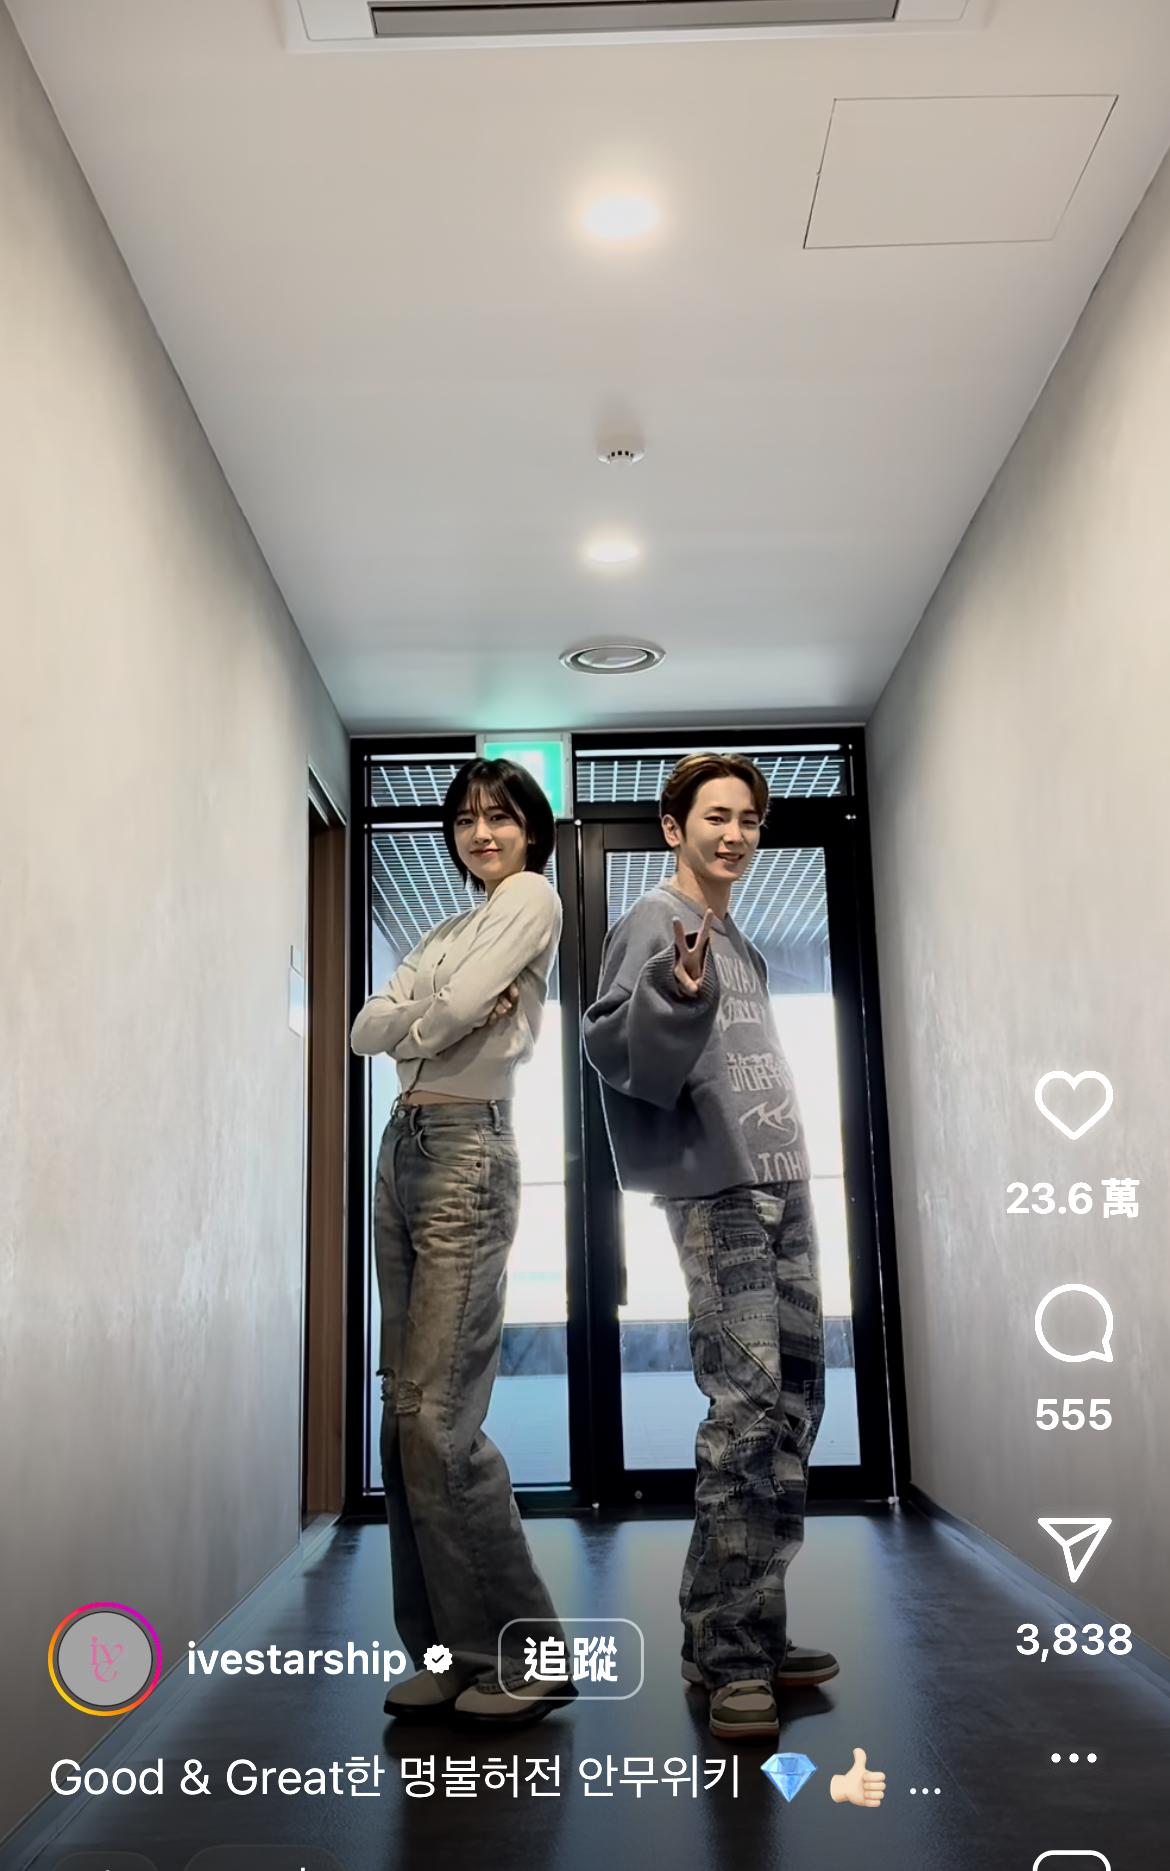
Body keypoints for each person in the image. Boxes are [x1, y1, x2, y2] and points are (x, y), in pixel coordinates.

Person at [581, 751, 836, 1743]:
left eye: (749, 820)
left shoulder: (742, 941)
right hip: (717, 1189)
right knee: (747, 1409)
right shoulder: (654, 920)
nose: (735, 834)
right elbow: (615, 1048)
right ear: (673, 826)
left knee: (795, 1409)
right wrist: (676, 992)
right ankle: (730, 1657)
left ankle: (744, 1629)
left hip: (785, 1183)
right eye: (716, 816)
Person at [351, 757, 575, 1728]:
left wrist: (419, 1020)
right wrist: (426, 1022)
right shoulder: (448, 928)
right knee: (403, 1413)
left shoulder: (530, 898)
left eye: (501, 816)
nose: (482, 831)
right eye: (467, 818)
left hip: (464, 1152)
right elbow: (365, 1029)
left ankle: (526, 1655)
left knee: (439, 1417)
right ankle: (445, 1651)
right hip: (402, 1147)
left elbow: (421, 1017)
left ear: (531, 830)